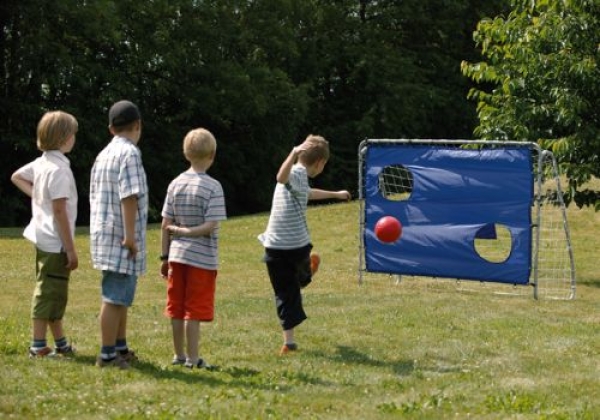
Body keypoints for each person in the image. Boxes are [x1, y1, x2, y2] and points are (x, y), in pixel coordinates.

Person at [258, 134, 351, 355]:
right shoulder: (295, 173)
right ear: (320, 163)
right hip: (290, 245)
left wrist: (335, 194)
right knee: (289, 290)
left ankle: (306, 272)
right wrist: (293, 151)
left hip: (278, 246)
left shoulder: (298, 177)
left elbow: (307, 193)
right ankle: (289, 342)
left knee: (285, 291)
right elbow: (281, 178)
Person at [11, 111, 79, 358]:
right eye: (73, 133)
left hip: (43, 238)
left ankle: (60, 342)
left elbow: (16, 176)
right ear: (63, 137)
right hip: (55, 243)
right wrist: (70, 249)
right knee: (48, 292)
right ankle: (38, 345)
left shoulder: (42, 163)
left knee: (55, 292)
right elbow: (60, 210)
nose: (74, 138)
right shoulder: (59, 169)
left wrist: (39, 196)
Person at [160, 128, 226, 369]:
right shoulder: (213, 187)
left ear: (186, 153)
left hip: (176, 257)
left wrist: (165, 256)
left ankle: (178, 355)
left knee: (176, 308)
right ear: (212, 155)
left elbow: (165, 224)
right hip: (202, 260)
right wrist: (188, 232)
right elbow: (210, 225)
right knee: (193, 310)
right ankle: (193, 358)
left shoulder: (175, 183)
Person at [89, 100, 148, 369]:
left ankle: (120, 347)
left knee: (121, 295)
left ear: (111, 128)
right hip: (121, 236)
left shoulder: (103, 155)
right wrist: (130, 236)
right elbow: (129, 196)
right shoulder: (130, 154)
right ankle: (108, 354)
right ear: (137, 126)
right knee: (114, 297)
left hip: (104, 235)